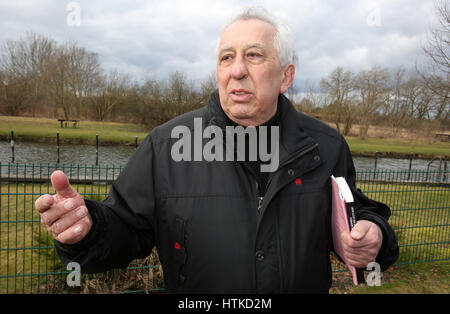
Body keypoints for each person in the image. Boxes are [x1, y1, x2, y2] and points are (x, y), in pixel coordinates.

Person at [34, 7, 398, 293]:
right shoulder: (166, 145)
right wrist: (87, 230)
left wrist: (373, 237)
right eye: (226, 58)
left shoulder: (326, 146)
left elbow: (354, 214)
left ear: (286, 76)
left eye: (254, 55)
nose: (237, 70)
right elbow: (125, 228)